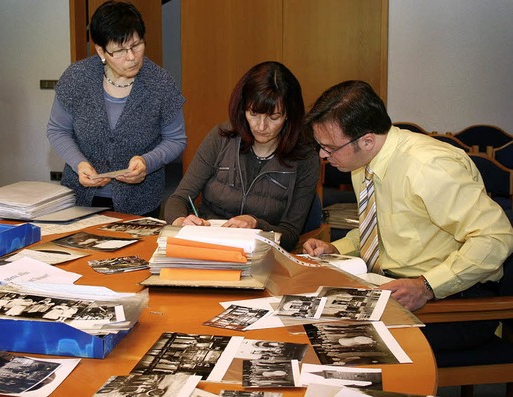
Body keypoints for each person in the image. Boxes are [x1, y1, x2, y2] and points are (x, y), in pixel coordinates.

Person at [302, 80, 513, 350]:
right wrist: (335, 247)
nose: (322, 155)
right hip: (393, 285)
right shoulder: (364, 162)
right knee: (305, 320)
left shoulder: (430, 167)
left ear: (367, 140)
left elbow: (496, 238)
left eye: (329, 147)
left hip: (453, 299)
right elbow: (382, 229)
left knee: (338, 343)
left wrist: (426, 286)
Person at [47, 0, 186, 217]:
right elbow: (57, 131)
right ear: (101, 50)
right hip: (81, 199)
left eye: (136, 45)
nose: (131, 57)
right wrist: (79, 164)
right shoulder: (77, 77)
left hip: (139, 203)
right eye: (120, 50)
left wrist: (146, 162)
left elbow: (176, 140)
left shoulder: (161, 83)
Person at [163, 61, 319, 251]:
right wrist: (180, 222)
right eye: (253, 114)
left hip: (261, 253)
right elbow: (178, 199)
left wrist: (256, 223)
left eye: (273, 117)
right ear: (242, 108)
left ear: (289, 115)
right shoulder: (221, 137)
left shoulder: (304, 157)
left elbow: (290, 234)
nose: (261, 127)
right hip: (208, 247)